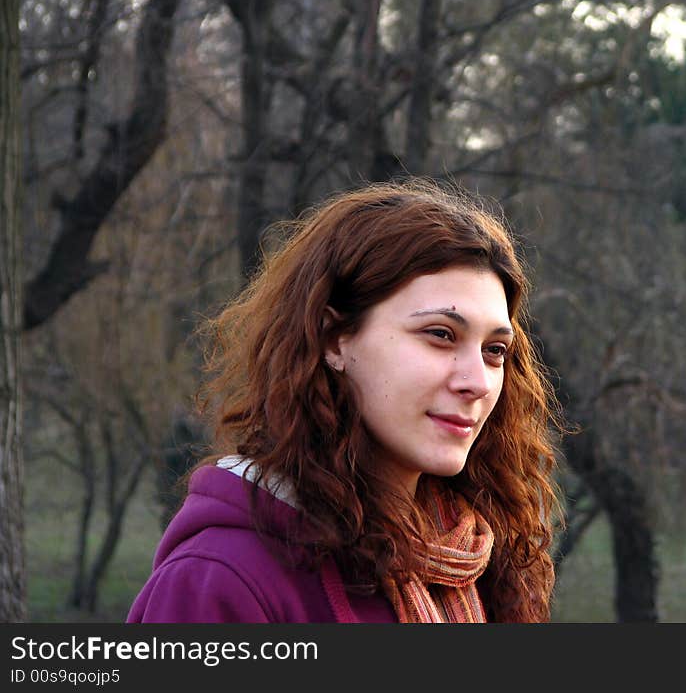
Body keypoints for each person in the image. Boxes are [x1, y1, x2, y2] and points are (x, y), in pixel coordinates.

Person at [127, 180, 562, 623]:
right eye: (440, 335)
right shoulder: (221, 580)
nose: (478, 382)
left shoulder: (479, 564)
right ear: (334, 339)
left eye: (494, 351)